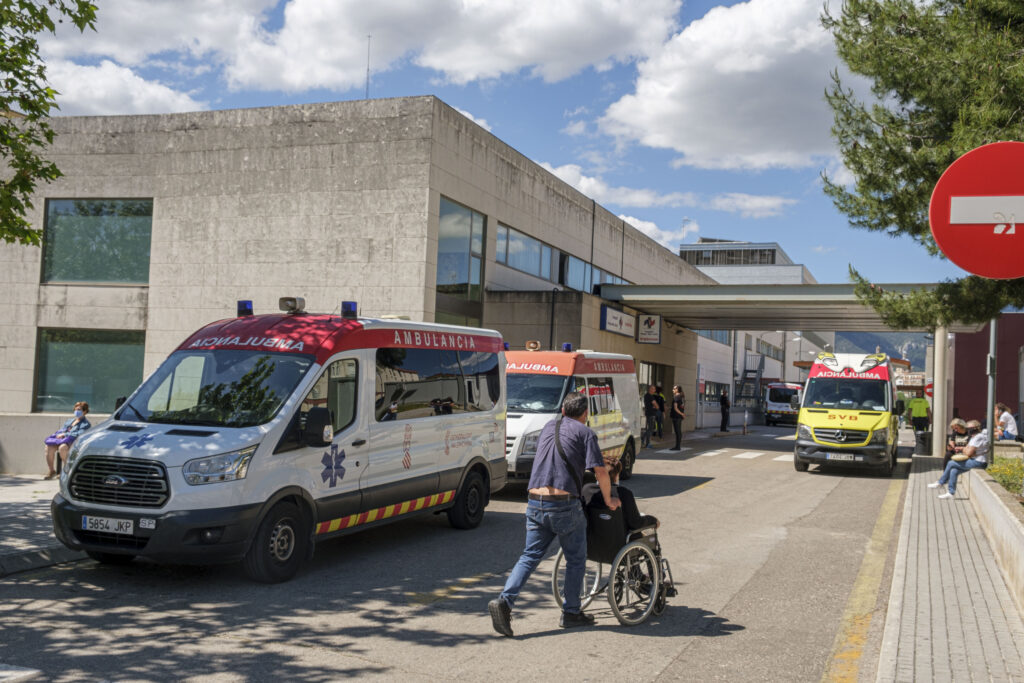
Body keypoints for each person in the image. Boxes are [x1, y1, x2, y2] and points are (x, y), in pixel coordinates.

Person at [488, 392, 619, 637]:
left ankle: (505, 602)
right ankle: (571, 612)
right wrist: (610, 499)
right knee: (576, 559)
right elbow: (600, 472)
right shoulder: (586, 432)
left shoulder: (549, 426)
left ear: (562, 411)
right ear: (585, 414)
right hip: (563, 504)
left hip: (535, 501)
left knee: (530, 555)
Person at [583, 455, 658, 531]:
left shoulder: (586, 490)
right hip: (619, 540)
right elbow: (636, 523)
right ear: (616, 476)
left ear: (597, 474)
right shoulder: (624, 493)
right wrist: (653, 520)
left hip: (591, 540)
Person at [928, 419, 987, 499]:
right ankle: (951, 493)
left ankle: (940, 483)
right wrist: (966, 450)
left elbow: (968, 453)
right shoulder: (973, 437)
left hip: (979, 462)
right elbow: (967, 450)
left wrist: (967, 450)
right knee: (954, 471)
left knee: (951, 463)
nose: (968, 429)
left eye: (969, 428)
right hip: (973, 460)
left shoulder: (978, 437)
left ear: (975, 428)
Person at [44, 401, 91, 479]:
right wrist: (58, 434)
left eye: (79, 410)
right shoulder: (70, 421)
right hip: (63, 440)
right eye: (76, 409)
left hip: (73, 442)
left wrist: (65, 434)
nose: (77, 411)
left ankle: (66, 471)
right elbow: (62, 429)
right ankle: (51, 471)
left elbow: (79, 434)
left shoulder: (85, 424)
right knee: (48, 446)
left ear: (85, 411)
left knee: (62, 448)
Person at [670, 385, 686, 450]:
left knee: (677, 432)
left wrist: (682, 414)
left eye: (674, 389)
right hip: (679, 416)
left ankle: (677, 446)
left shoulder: (676, 397)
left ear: (677, 390)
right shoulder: (682, 397)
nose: (672, 390)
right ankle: (678, 446)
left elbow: (676, 408)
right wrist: (682, 414)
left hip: (676, 416)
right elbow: (681, 407)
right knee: (679, 431)